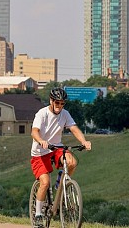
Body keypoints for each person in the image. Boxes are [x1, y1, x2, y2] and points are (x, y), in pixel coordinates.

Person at [30, 87, 91, 227]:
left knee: (72, 162)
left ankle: (61, 183)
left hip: (56, 147)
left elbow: (74, 128)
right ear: (51, 101)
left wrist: (84, 141)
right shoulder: (42, 114)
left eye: (62, 103)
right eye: (57, 103)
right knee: (44, 183)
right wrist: (41, 141)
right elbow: (34, 132)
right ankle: (39, 214)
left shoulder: (65, 114)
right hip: (40, 151)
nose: (60, 106)